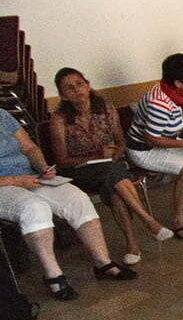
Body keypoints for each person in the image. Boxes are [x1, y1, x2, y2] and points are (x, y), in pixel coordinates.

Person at [0, 108, 136, 300]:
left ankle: (102, 262)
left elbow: (29, 148)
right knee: (34, 208)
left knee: (77, 198)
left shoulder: (2, 115)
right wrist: (15, 181)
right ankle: (53, 275)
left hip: (28, 176)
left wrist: (43, 167)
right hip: (4, 185)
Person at [49, 67, 172, 264]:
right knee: (113, 175)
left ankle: (132, 244)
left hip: (110, 166)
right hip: (78, 170)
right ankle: (148, 221)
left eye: (80, 84)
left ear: (88, 85)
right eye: (70, 88)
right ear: (63, 95)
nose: (77, 90)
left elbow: (121, 141)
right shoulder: (59, 119)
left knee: (114, 186)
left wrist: (114, 154)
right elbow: (62, 160)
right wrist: (96, 156)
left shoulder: (105, 108)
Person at [125, 54, 183, 238]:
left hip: (166, 141)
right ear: (178, 83)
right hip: (144, 149)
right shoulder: (159, 103)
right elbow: (152, 139)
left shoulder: (180, 93)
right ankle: (178, 220)